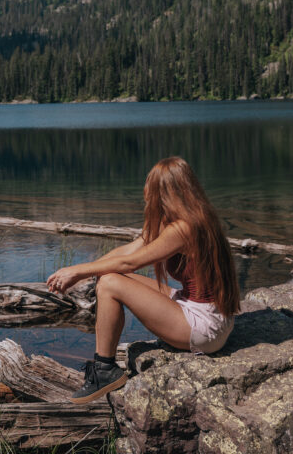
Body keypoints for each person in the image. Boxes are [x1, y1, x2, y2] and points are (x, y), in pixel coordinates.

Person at [46, 156, 240, 402]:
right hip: (200, 310)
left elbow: (132, 262)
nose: (147, 198)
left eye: (151, 193)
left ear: (165, 194)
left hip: (204, 327)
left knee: (108, 284)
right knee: (110, 276)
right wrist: (84, 268)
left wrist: (79, 273)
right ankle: (105, 367)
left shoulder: (184, 228)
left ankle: (104, 369)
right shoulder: (190, 218)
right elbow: (128, 252)